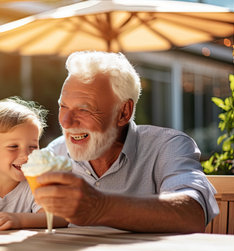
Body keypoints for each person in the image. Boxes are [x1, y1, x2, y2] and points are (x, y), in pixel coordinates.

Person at [32, 51, 219, 233]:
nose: (65, 122)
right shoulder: (54, 154)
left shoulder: (168, 146)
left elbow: (192, 214)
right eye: (63, 106)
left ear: (123, 113)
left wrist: (99, 207)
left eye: (84, 110)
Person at [0, 97, 68, 230]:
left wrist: (19, 220)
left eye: (32, 146)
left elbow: (61, 217)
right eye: (13, 146)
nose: (26, 155)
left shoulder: (34, 185)